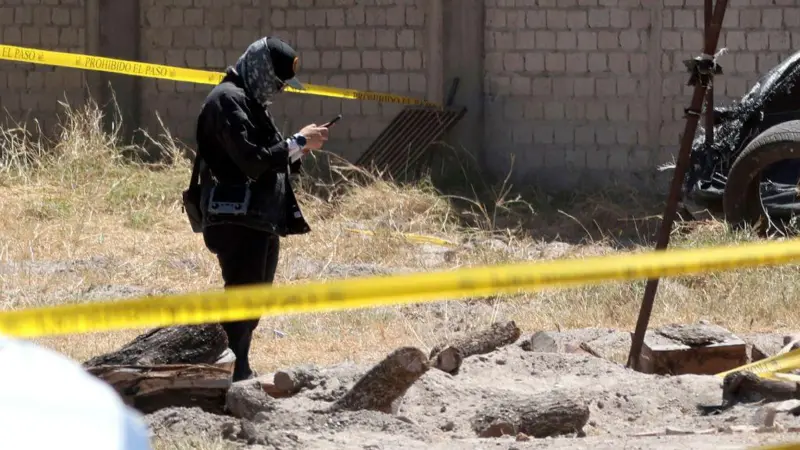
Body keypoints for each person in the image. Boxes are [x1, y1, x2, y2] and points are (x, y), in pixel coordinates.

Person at [191, 36, 329, 382]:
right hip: (235, 220)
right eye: (277, 82)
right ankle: (228, 373)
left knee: (255, 297)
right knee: (242, 296)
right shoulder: (227, 101)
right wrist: (296, 142)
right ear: (260, 70)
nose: (279, 90)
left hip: (258, 218)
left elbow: (270, 156)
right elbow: (252, 161)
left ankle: (238, 367)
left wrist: (298, 150)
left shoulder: (249, 100)